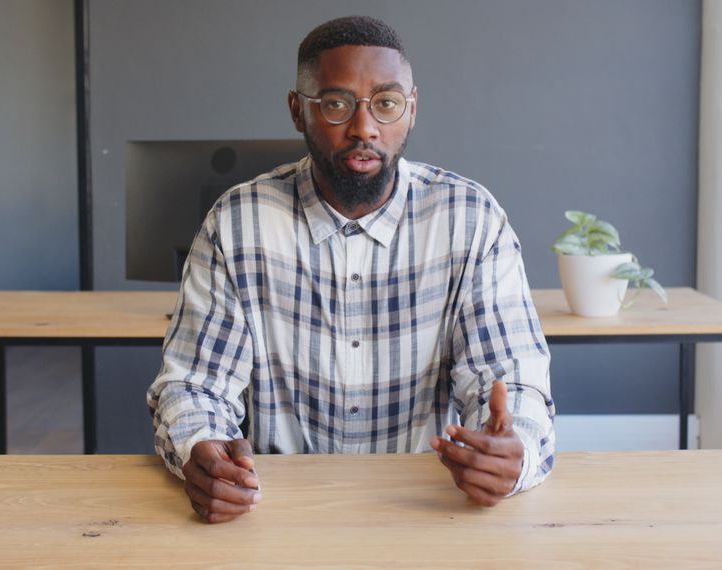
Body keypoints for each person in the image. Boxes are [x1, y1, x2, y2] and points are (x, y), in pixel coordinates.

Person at [147, 15, 555, 524]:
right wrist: (199, 451)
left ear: (411, 110)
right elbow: (196, 385)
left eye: (386, 103)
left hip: (429, 510)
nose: (365, 128)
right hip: (274, 511)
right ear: (298, 111)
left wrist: (511, 454)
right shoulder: (238, 223)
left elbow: (510, 379)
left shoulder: (471, 221)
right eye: (338, 104)